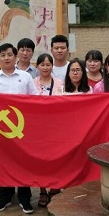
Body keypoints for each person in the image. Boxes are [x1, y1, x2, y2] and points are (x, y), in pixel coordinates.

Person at [0, 43, 39, 214]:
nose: (6, 58)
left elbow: (35, 100)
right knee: (4, 161)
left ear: (15, 57)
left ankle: (24, 198)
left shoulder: (25, 77)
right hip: (1, 129)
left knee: (23, 161)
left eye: (9, 54)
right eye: (3, 55)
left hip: (22, 127)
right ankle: (5, 196)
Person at [33, 53, 64, 206]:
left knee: (56, 158)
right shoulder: (32, 82)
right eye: (42, 65)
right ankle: (42, 190)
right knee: (40, 160)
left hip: (55, 126)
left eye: (48, 64)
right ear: (37, 66)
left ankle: (54, 188)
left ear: (52, 66)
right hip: (37, 127)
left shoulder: (60, 83)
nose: (45, 67)